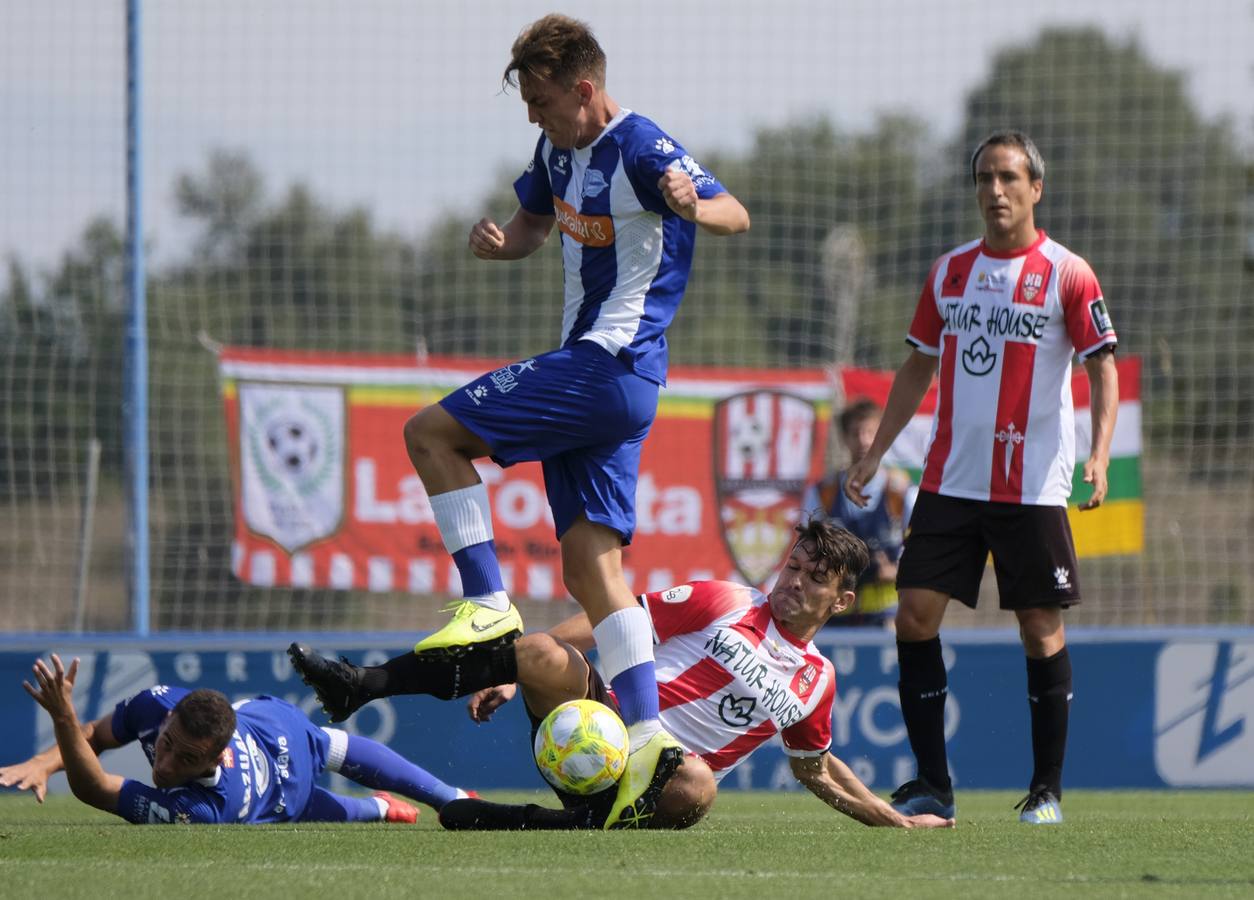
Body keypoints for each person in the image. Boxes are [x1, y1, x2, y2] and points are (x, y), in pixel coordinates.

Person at [397, 13, 749, 829]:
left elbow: (737, 213)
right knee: (593, 571)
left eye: (543, 99)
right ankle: (653, 738)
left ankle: (485, 601)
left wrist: (695, 203)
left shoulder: (640, 144)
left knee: (429, 434)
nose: (533, 114)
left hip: (607, 365)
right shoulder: (558, 150)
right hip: (618, 386)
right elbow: (533, 222)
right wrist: (503, 244)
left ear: (584, 89)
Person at [289, 520, 954, 831]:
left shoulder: (814, 681)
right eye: (796, 565)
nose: (796, 581)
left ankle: (513, 821)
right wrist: (522, 675)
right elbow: (617, 618)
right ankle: (362, 684)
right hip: (600, 720)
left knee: (698, 784)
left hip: (658, 783)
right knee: (541, 647)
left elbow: (817, 766)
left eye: (816, 579)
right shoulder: (723, 599)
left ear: (841, 602)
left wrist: (884, 817)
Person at [843, 130, 1119, 825]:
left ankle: (1047, 792)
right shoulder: (948, 273)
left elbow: (1102, 365)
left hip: (1030, 486)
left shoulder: (1068, 273)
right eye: (984, 179)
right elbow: (916, 368)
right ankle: (934, 783)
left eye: (1008, 178)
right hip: (950, 482)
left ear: (1035, 189)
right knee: (914, 615)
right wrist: (875, 453)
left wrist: (1099, 453)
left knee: (1037, 626)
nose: (994, 191)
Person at [1, 657, 474, 825]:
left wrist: (62, 715)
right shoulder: (157, 705)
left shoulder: (205, 809)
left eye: (186, 759)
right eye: (165, 743)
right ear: (166, 720)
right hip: (263, 722)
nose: (163, 765)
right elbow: (95, 736)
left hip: (284, 781)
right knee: (333, 762)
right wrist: (45, 762)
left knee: (322, 774)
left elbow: (94, 787)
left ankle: (435, 800)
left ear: (217, 756)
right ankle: (403, 804)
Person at [803, 398, 916, 627]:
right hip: (834, 613)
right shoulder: (824, 491)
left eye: (870, 432)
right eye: (856, 433)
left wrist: (896, 572)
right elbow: (806, 550)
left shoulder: (901, 491)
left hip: (887, 614)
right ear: (844, 438)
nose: (863, 440)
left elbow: (923, 549)